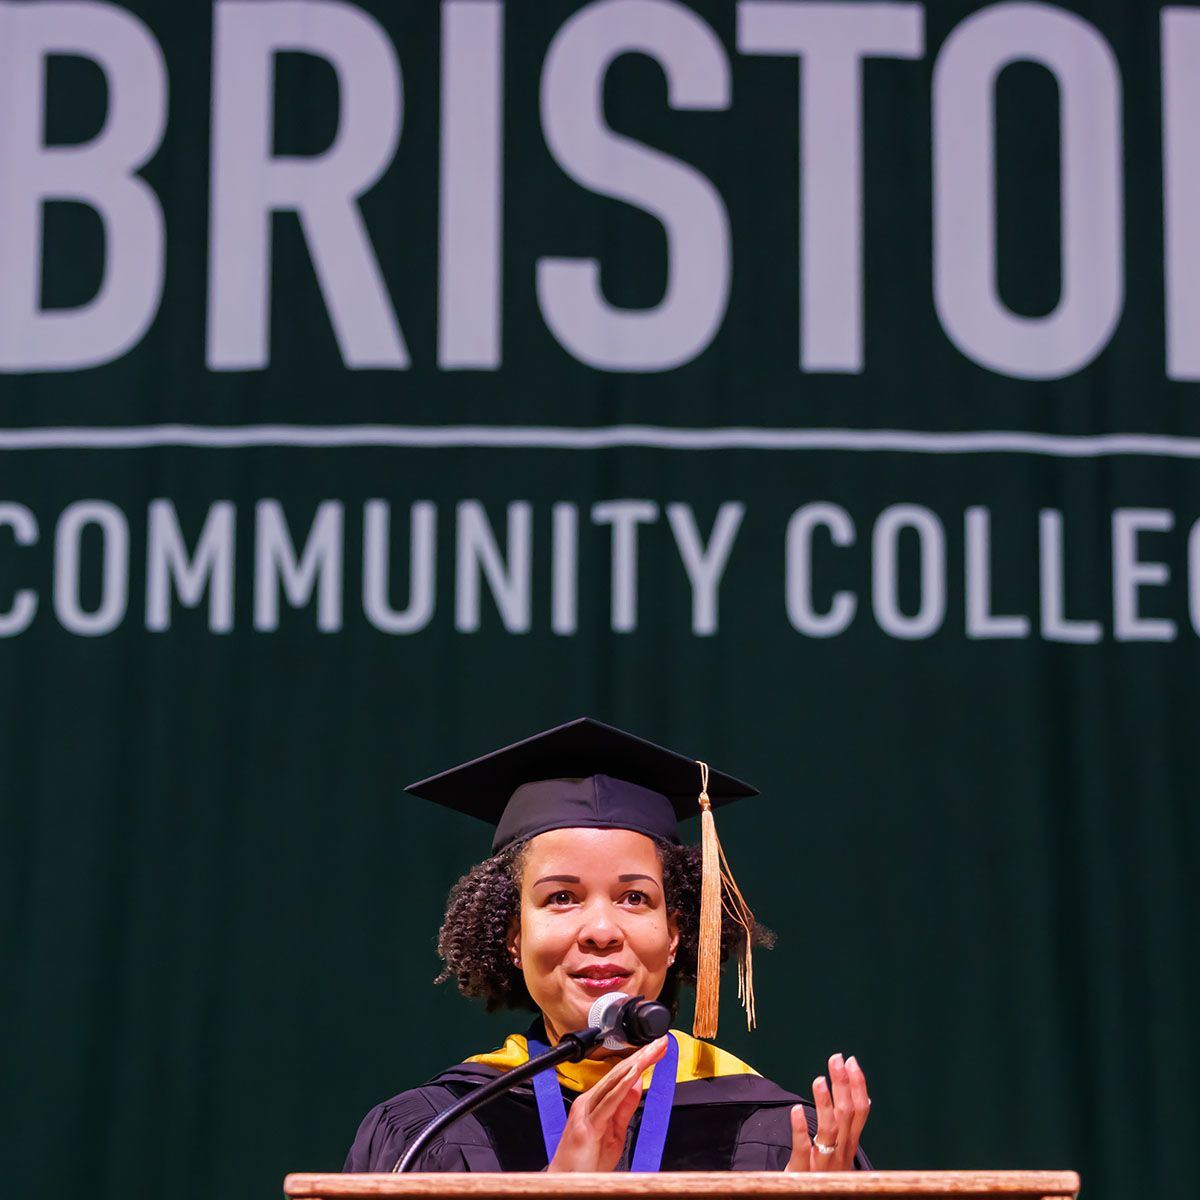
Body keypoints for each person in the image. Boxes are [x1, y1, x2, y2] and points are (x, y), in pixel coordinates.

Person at [345, 718, 872, 1173]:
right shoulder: (427, 1132)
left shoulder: (784, 1134)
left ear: (674, 937)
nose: (601, 929)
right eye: (561, 897)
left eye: (635, 897)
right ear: (512, 937)